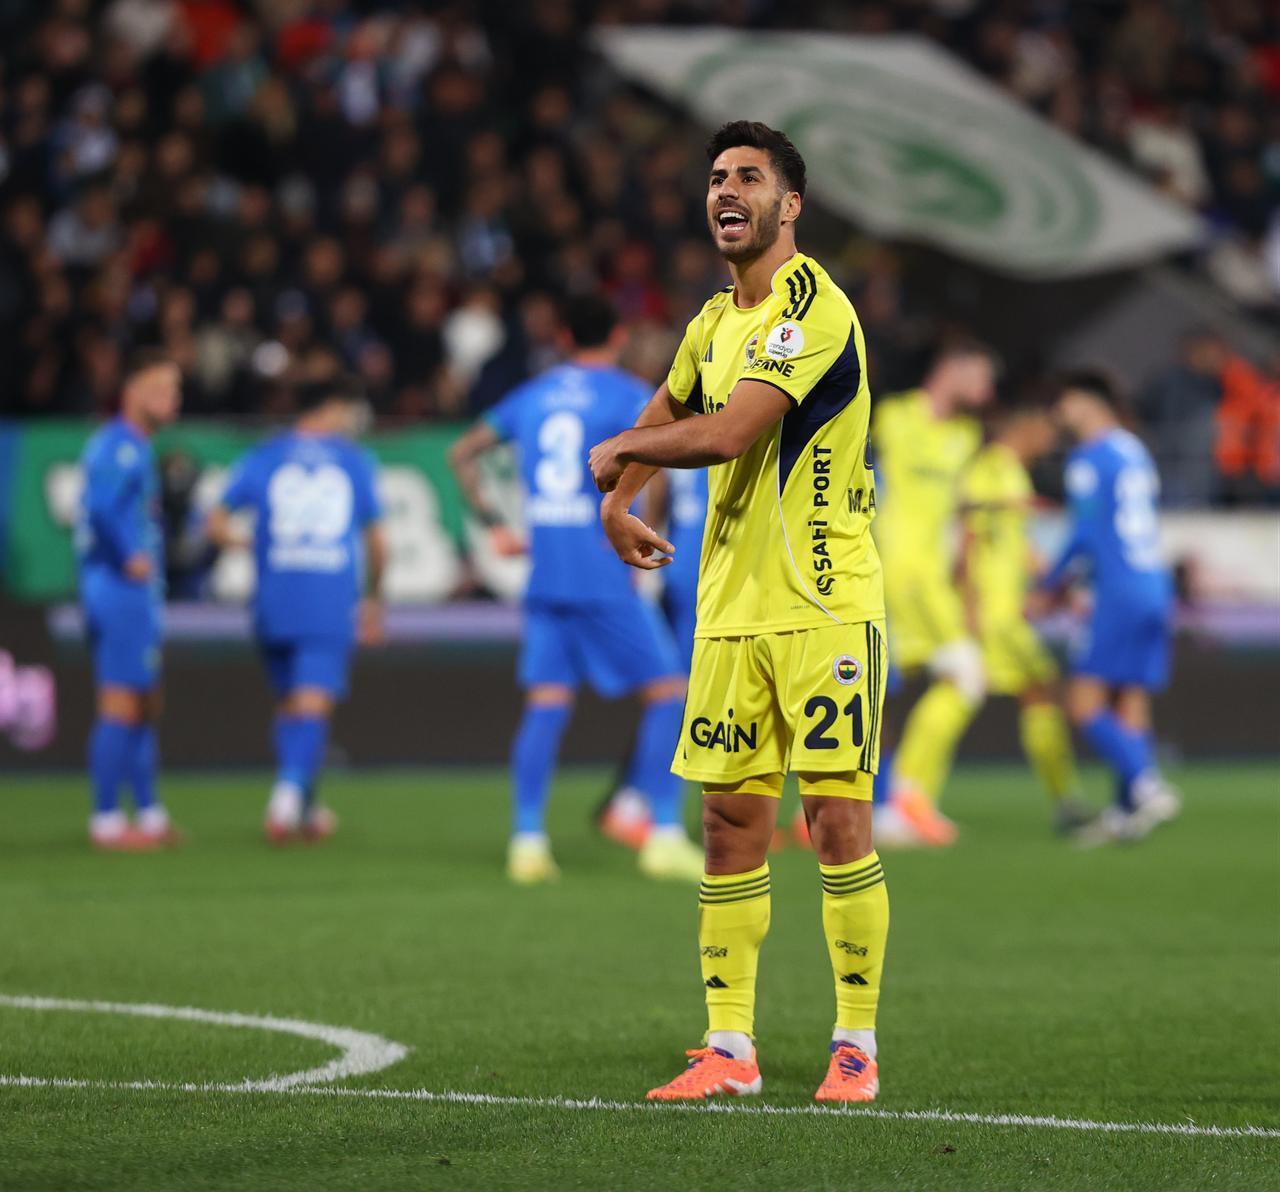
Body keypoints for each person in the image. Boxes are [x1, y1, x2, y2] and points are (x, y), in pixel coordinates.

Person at [588, 121, 889, 1104]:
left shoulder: (811, 309)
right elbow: (663, 412)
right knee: (726, 821)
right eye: (715, 177)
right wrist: (616, 495)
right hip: (726, 613)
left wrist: (615, 461)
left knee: (835, 819)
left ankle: (854, 1043)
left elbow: (722, 434)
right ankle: (729, 1046)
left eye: (747, 177)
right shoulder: (711, 321)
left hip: (823, 607)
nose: (726, 189)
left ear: (786, 205)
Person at [448, 294, 704, 885]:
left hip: (546, 577)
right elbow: (653, 471)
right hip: (601, 574)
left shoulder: (533, 397)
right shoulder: (625, 395)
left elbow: (462, 454)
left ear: (562, 336)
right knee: (671, 691)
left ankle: (528, 841)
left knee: (545, 705)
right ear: (615, 335)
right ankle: (663, 831)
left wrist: (497, 528)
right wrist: (645, 529)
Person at [207, 376, 387, 843]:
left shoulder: (264, 455)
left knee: (291, 704)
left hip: (274, 595)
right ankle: (286, 797)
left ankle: (306, 806)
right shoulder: (352, 461)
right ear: (330, 407)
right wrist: (375, 597)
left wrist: (250, 542)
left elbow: (214, 522)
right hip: (326, 594)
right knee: (313, 702)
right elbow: (377, 540)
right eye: (349, 411)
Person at [1034, 370, 1182, 844]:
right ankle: (1124, 811)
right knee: (1129, 698)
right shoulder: (1134, 449)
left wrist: (1050, 585)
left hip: (1116, 589)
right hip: (1153, 585)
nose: (1059, 413)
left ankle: (1146, 782)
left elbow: (1085, 532)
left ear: (1088, 402)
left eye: (1065, 401)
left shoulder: (1090, 456)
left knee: (1082, 703)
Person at [871, 341, 997, 847]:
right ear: (952, 369)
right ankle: (904, 797)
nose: (988, 393)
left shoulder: (966, 436)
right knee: (961, 677)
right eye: (983, 379)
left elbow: (963, 515)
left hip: (931, 579)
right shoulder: (894, 415)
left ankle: (900, 798)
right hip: (893, 573)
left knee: (946, 681)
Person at [958, 403, 1094, 834]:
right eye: (1048, 435)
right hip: (996, 613)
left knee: (1031, 694)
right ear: (1028, 427)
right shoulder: (990, 468)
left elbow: (1017, 544)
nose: (1052, 445)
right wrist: (971, 607)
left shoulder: (1012, 472)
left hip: (1008, 609)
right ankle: (909, 794)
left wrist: (1055, 585)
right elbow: (969, 538)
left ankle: (1065, 797)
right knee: (977, 692)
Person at [76, 348, 184, 850]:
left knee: (144, 702)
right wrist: (129, 555)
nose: (171, 399)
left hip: (132, 592)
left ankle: (149, 813)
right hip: (119, 589)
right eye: (160, 389)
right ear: (130, 393)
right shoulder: (119, 446)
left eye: (175, 390)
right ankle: (106, 821)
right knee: (121, 702)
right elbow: (101, 507)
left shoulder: (135, 446)